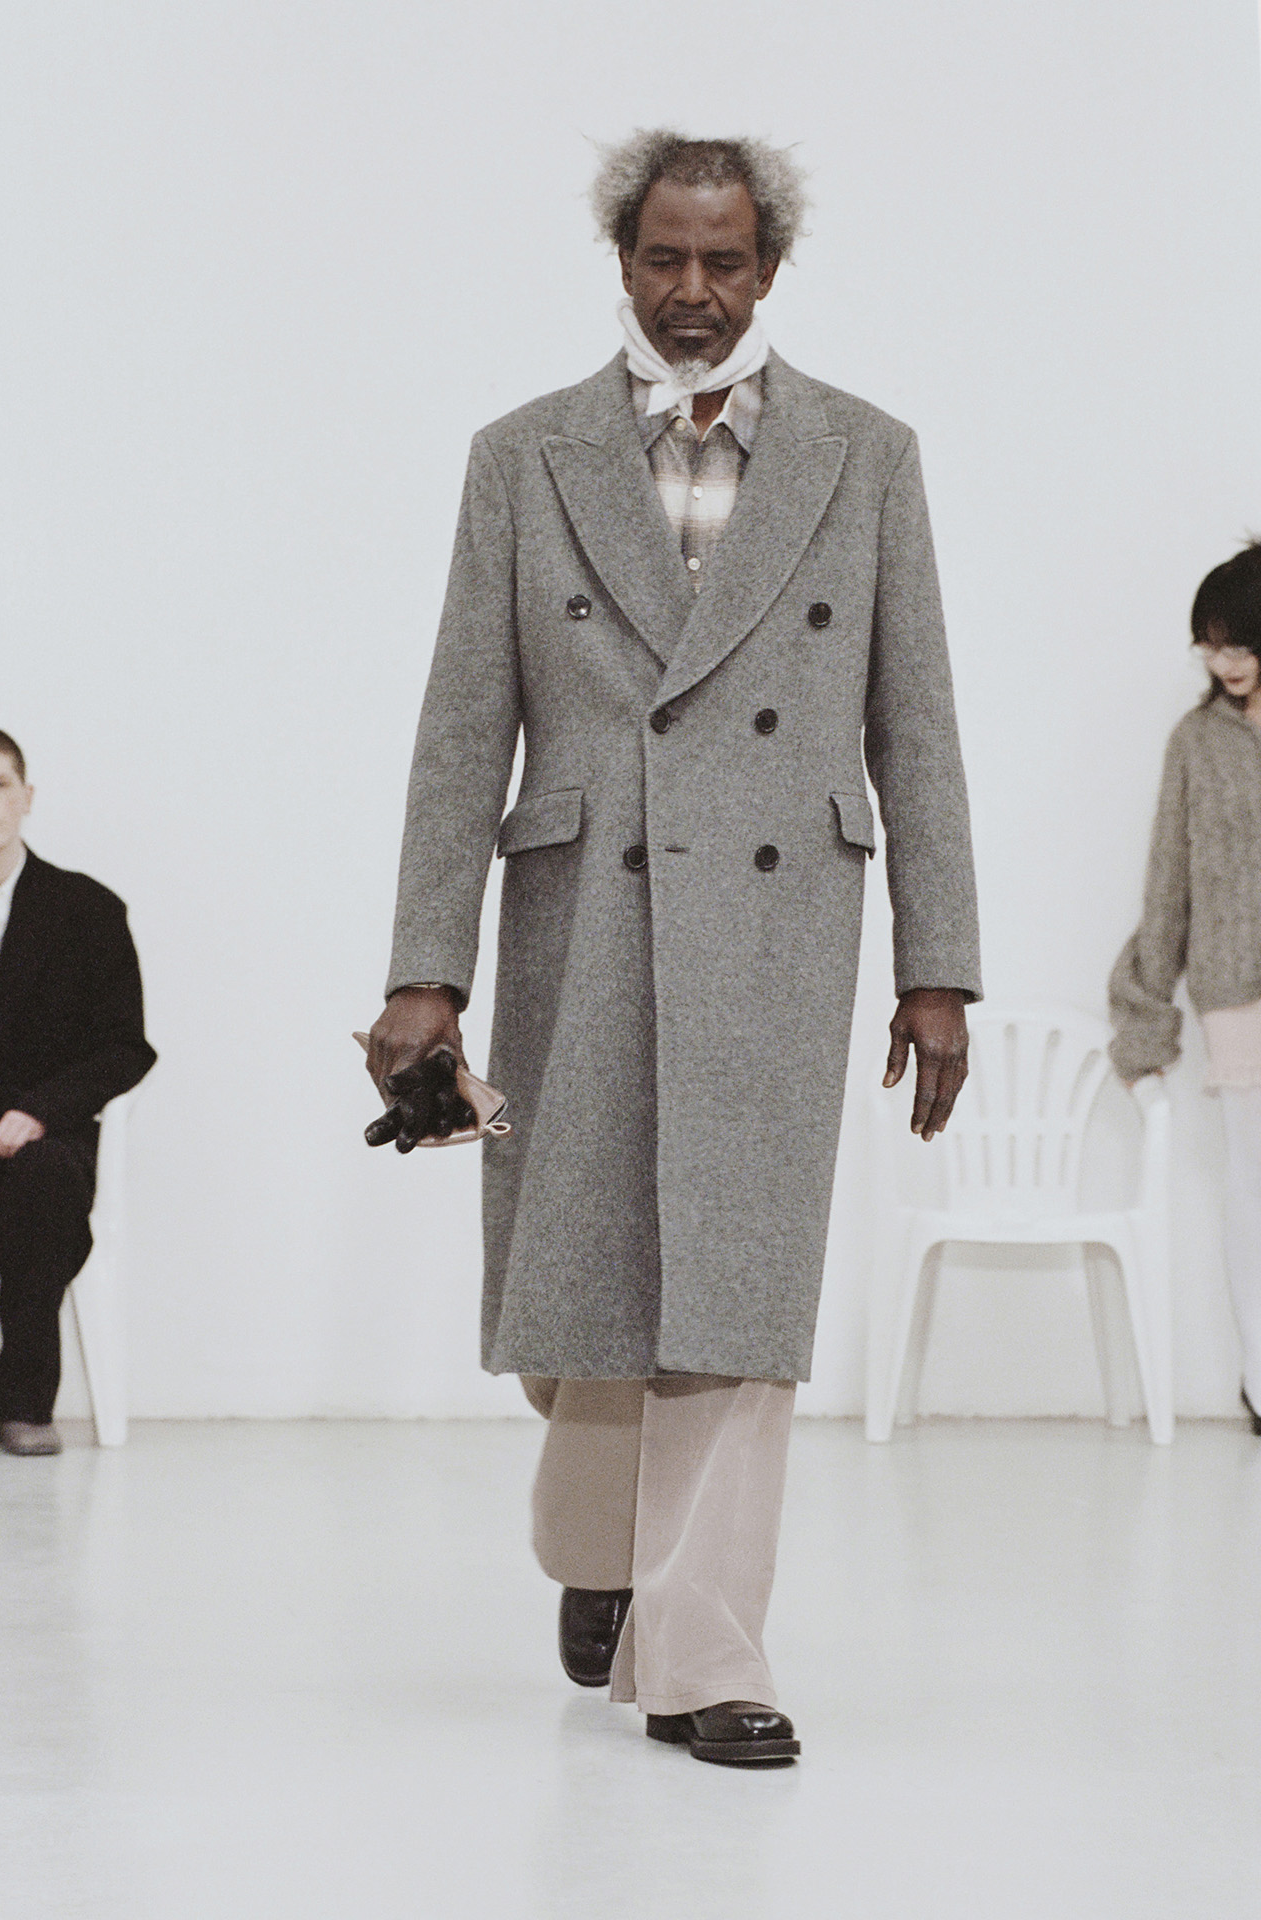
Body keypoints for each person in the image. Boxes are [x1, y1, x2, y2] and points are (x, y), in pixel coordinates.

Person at [364, 131, 981, 1766]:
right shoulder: (526, 456)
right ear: (623, 262)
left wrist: (940, 966)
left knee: (737, 1285)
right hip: (588, 905)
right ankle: (602, 1541)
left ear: (769, 270)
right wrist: (425, 968)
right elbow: (460, 728)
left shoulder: (867, 454)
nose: (692, 290)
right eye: (664, 258)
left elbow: (917, 723)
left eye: (724, 260)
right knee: (584, 1275)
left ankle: (705, 1653)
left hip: (781, 924)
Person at [1110, 540, 1261, 1436]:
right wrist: (1144, 1022)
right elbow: (1167, 884)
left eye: (1237, 642)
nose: (1221, 661)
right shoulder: (1196, 743)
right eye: (1209, 644)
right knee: (1252, 1186)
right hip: (1236, 990)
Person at [0, 727, 155, 1455]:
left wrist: (37, 1113)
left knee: (44, 1184)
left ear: (27, 796)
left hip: (48, 1139)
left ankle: (24, 1405)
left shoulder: (87, 908)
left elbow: (126, 1047)